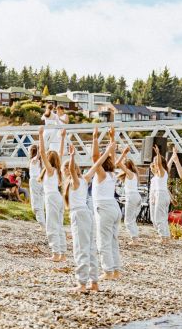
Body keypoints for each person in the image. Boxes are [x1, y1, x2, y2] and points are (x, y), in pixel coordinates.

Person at [62, 142, 111, 293]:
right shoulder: (85, 178)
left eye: (64, 170)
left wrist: (71, 157)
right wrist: (108, 151)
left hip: (79, 214)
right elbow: (97, 164)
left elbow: (71, 169)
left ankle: (82, 284)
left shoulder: (75, 180)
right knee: (90, 248)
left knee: (81, 248)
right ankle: (94, 282)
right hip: (87, 214)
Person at [92, 126, 122, 280]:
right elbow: (112, 155)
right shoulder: (112, 173)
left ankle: (108, 271)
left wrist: (95, 138)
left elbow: (96, 157)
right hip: (115, 208)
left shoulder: (102, 174)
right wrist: (112, 138)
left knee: (103, 241)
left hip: (105, 208)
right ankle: (116, 270)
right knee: (113, 240)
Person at [38, 125, 67, 262]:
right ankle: (62, 253)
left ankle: (56, 253)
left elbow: (42, 152)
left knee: (51, 225)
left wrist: (40, 135)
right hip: (58, 197)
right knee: (59, 225)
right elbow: (60, 153)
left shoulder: (50, 170)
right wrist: (62, 137)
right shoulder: (58, 170)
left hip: (51, 197)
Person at [117, 148, 142, 239]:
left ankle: (134, 238)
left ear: (126, 167)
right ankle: (135, 237)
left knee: (127, 220)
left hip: (132, 197)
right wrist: (124, 156)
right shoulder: (133, 174)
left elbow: (118, 163)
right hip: (136, 196)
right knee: (132, 219)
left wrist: (123, 153)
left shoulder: (130, 173)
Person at [149, 146, 171, 241]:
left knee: (159, 218)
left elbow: (158, 163)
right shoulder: (160, 173)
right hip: (161, 194)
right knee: (161, 217)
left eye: (155, 161)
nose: (154, 163)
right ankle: (165, 236)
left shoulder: (162, 171)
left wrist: (157, 153)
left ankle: (163, 237)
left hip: (161, 195)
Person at [28, 144, 45, 226]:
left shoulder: (34, 160)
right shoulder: (40, 162)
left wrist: (39, 148)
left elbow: (38, 155)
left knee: (35, 203)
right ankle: (43, 222)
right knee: (40, 201)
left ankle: (42, 223)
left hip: (35, 181)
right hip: (40, 181)